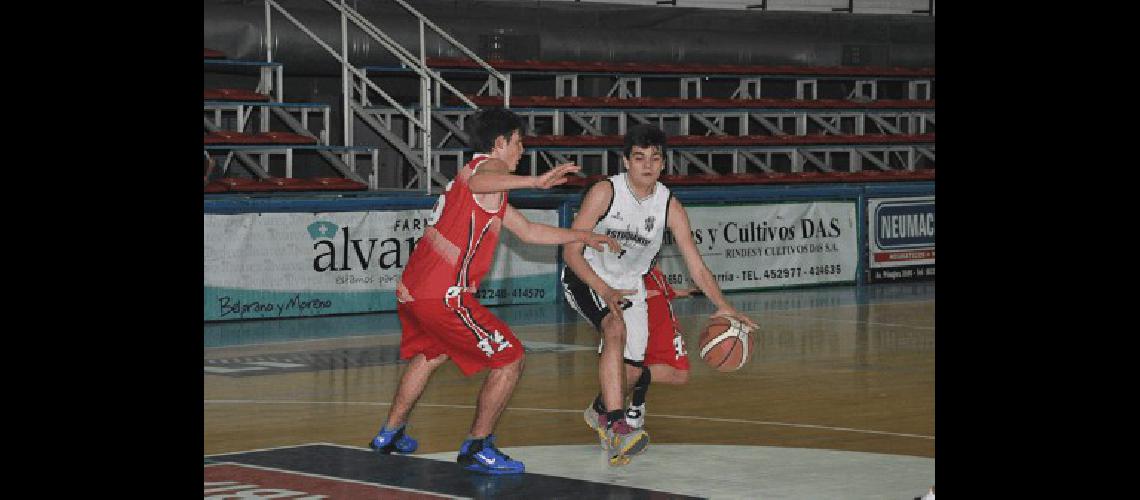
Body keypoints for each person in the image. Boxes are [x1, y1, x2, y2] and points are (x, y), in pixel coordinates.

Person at [369, 108, 621, 475]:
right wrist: (535, 182)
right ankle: (477, 445)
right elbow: (482, 182)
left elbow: (529, 232)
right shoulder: (489, 170)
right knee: (510, 359)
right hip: (444, 293)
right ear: (501, 143)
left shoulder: (475, 178)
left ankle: (389, 434)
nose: (522, 152)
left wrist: (583, 236)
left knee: (430, 354)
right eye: (519, 143)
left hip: (414, 289)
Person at [561, 124, 758, 465]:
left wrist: (723, 306)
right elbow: (570, 252)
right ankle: (617, 425)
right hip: (588, 276)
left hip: (630, 283)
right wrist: (603, 289)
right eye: (639, 158)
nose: (647, 166)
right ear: (626, 161)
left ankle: (599, 411)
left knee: (634, 369)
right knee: (614, 328)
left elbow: (696, 266)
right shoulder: (605, 192)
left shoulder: (669, 206)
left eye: (655, 159)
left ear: (664, 164)